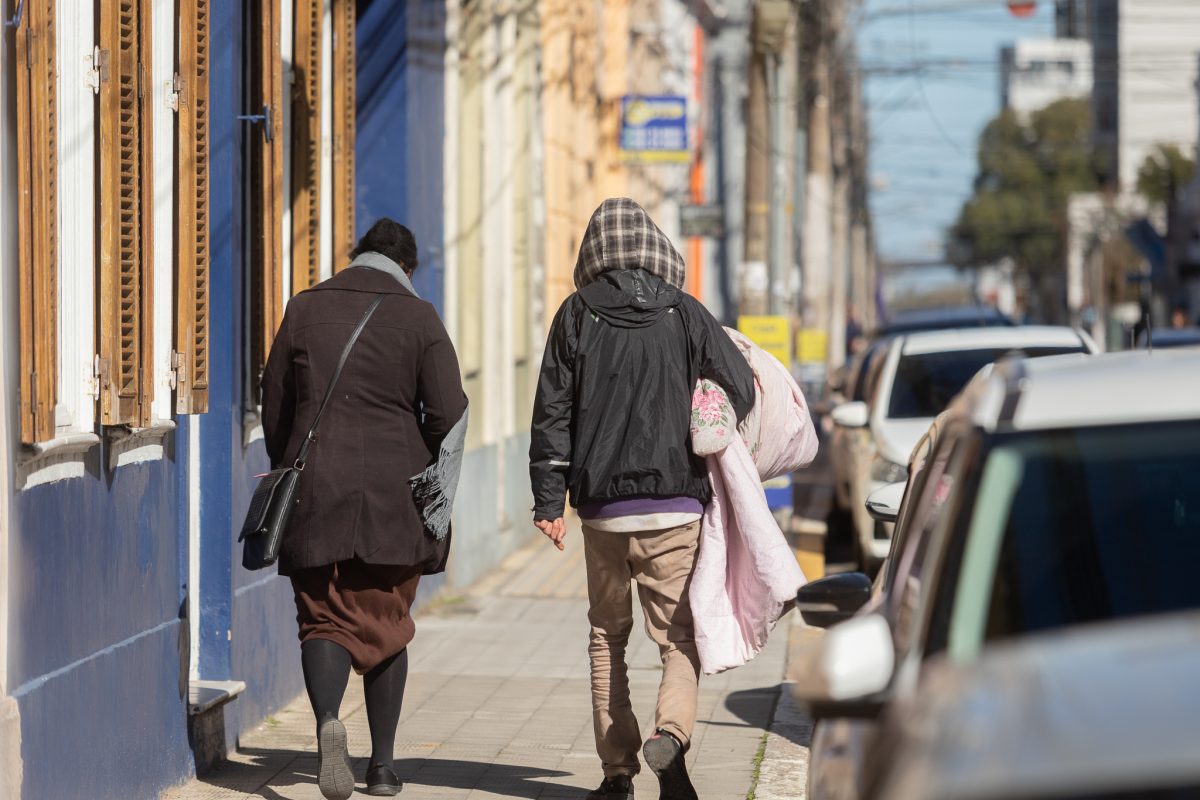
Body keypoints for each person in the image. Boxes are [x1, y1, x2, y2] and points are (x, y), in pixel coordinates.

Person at [530, 198, 755, 800]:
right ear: (656, 247)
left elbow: (550, 413)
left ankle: (617, 774)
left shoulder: (575, 315)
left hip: (601, 510)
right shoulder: (686, 314)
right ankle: (672, 739)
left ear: (594, 251)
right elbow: (739, 385)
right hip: (675, 507)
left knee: (607, 638)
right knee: (676, 640)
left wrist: (549, 501)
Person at [261, 219, 468, 799]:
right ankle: (381, 768)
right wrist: (428, 474)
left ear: (357, 257)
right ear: (407, 267)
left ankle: (329, 722)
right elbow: (449, 413)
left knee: (322, 618)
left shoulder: (303, 309)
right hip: (394, 500)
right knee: (387, 627)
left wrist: (294, 463)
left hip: (315, 494)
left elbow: (275, 403)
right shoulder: (420, 317)